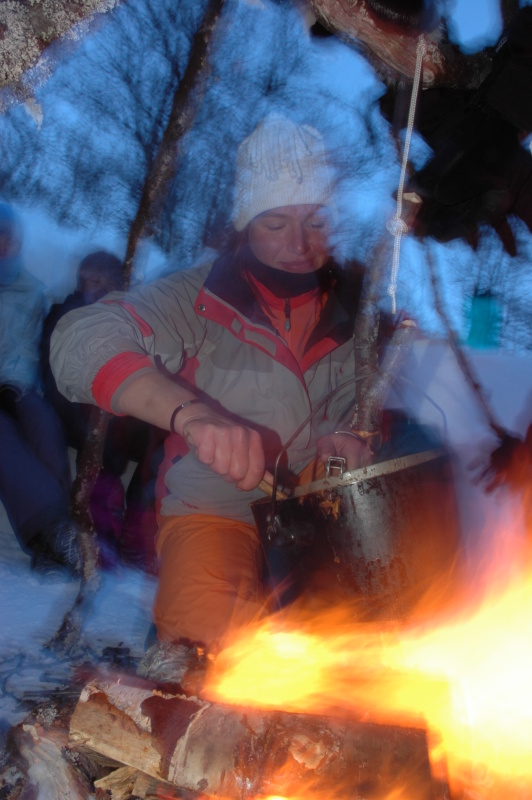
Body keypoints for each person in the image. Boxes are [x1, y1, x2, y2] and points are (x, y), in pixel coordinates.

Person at [49, 115, 428, 648]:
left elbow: (365, 404)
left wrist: (358, 435)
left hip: (323, 511)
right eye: (275, 223)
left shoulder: (357, 312)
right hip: (215, 508)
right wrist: (191, 414)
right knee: (209, 663)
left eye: (315, 221)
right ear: (245, 224)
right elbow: (78, 340)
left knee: (359, 658)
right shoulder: (198, 296)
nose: (299, 243)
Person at [41, 250, 165, 572]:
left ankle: (140, 526)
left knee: (164, 431)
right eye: (86, 279)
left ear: (115, 282)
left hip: (124, 410)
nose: (91, 286)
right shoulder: (65, 313)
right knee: (102, 423)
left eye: (99, 279)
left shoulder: (130, 314)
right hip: (78, 410)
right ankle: (101, 529)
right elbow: (53, 375)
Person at [0, 201, 80, 578]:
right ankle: (54, 532)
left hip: (14, 384)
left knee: (43, 424)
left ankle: (52, 546)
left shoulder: (30, 290)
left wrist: (17, 387)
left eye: (6, 238)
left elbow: (24, 346)